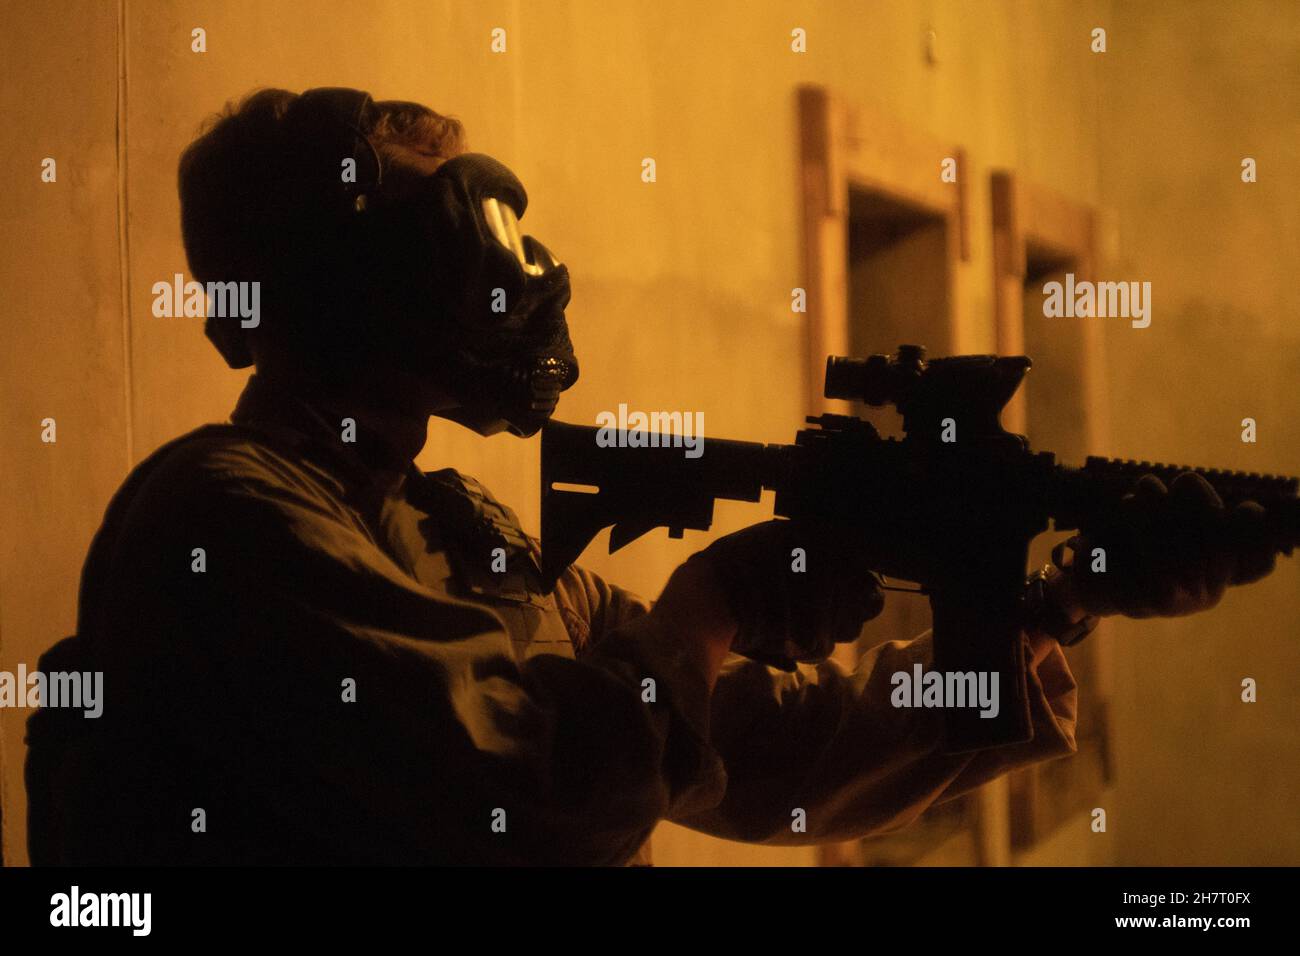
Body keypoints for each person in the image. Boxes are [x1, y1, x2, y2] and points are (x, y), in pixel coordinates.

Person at [25, 87, 1278, 865]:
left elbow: (774, 761)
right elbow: (541, 804)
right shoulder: (223, 521)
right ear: (342, 282)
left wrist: (1062, 598)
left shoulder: (454, 530)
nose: (503, 271)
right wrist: (708, 611)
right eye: (442, 234)